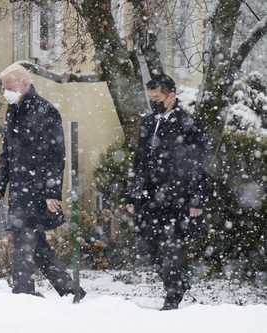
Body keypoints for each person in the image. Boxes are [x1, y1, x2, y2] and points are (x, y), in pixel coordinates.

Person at [0, 63, 86, 300]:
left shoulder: (45, 110)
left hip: (37, 190)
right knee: (38, 246)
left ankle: (23, 293)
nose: (5, 92)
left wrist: (52, 192)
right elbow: (7, 154)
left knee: (22, 241)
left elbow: (56, 155)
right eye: (3, 87)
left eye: (9, 87)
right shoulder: (13, 110)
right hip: (19, 189)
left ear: (24, 84)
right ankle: (71, 290)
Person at [125, 74, 209, 310]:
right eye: (151, 98)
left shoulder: (188, 124)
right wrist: (132, 194)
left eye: (158, 98)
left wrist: (197, 198)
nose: (154, 102)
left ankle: (173, 296)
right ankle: (179, 283)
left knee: (172, 246)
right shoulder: (148, 122)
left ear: (172, 96)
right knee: (150, 247)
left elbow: (200, 163)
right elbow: (139, 160)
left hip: (177, 196)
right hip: (150, 197)